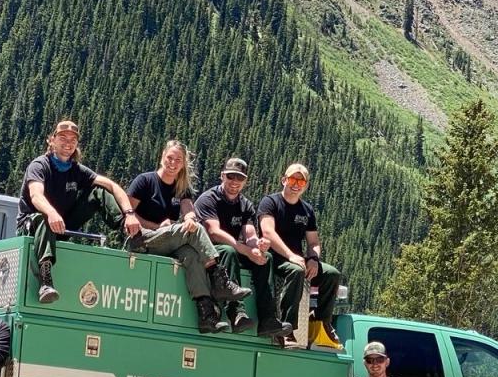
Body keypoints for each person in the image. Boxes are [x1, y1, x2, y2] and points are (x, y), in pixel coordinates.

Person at [127, 140, 250, 334]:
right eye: (170, 158)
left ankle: (206, 314)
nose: (173, 163)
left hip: (167, 240)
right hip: (143, 238)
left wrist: (191, 219)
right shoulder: (145, 181)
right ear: (162, 157)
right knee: (197, 231)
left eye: (178, 160)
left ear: (183, 164)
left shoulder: (181, 187)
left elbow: (188, 210)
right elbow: (128, 215)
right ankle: (219, 279)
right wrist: (157, 226)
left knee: (192, 255)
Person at [17, 119, 141, 303]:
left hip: (60, 226)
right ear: (51, 140)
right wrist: (51, 213)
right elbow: (36, 196)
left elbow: (112, 186)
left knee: (98, 191)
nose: (68, 143)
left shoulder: (76, 170)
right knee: (43, 218)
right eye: (62, 138)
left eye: (72, 140)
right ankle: (45, 280)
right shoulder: (40, 165)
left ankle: (130, 233)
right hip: (32, 226)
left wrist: (130, 214)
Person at [194, 156, 293, 340]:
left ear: (245, 181)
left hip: (234, 249)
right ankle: (236, 313)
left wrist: (258, 247)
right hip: (207, 252)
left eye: (239, 178)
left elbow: (249, 234)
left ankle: (268, 319)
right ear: (222, 176)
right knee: (229, 251)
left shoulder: (245, 204)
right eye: (231, 176)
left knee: (266, 258)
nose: (234, 182)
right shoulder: (208, 199)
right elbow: (214, 233)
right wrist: (245, 249)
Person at [257, 163, 342, 347]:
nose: (296, 184)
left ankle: (320, 323)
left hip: (299, 259)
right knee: (296, 271)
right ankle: (288, 328)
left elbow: (313, 242)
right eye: (293, 179)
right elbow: (268, 233)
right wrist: (291, 256)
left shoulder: (307, 210)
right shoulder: (270, 202)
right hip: (273, 258)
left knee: (331, 274)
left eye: (301, 181)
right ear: (284, 180)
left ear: (306, 185)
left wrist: (313, 258)